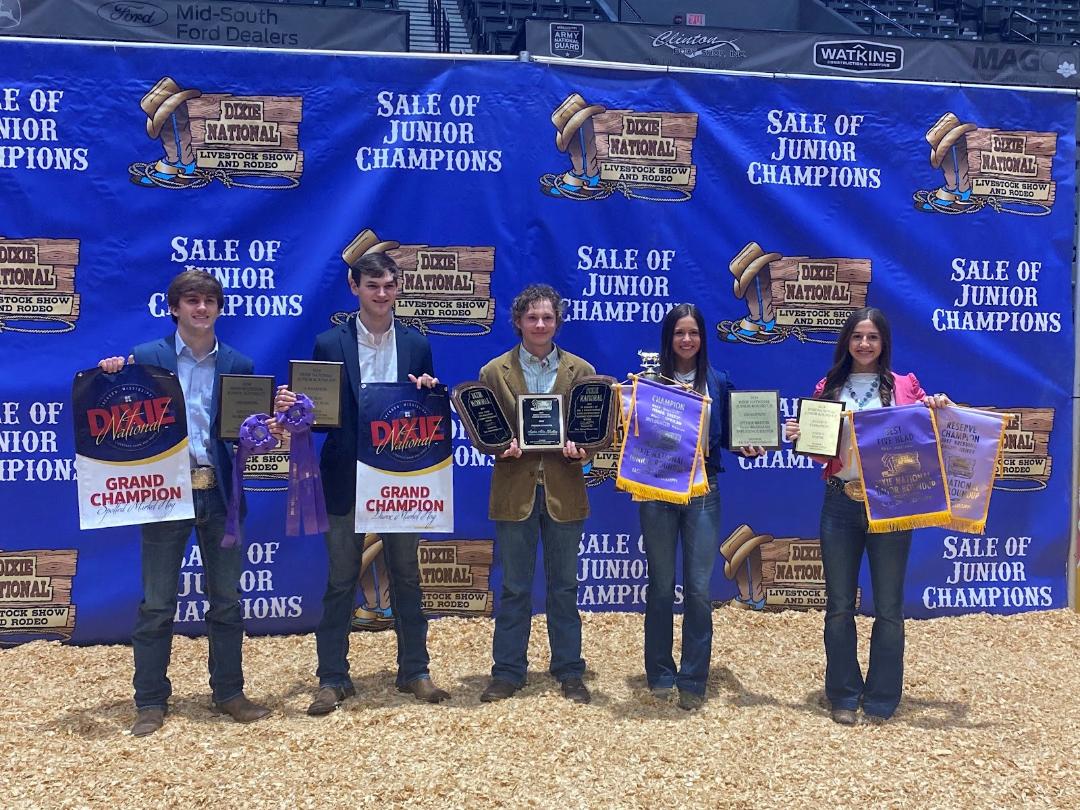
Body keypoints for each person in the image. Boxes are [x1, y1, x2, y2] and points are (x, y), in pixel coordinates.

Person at [274, 249, 450, 716]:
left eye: (389, 285)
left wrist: (431, 391)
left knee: (407, 575)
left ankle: (415, 670)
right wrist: (294, 408)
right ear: (354, 288)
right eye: (372, 285)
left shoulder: (416, 344)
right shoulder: (328, 344)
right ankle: (333, 677)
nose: (382, 294)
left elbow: (426, 406)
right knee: (340, 578)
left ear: (398, 289)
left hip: (402, 476)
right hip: (345, 475)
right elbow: (318, 415)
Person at [98, 270, 270, 737]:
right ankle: (150, 701)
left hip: (219, 491)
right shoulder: (146, 358)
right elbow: (117, 412)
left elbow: (247, 436)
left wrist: (271, 431)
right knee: (157, 603)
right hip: (163, 492)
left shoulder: (240, 364)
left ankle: (229, 692)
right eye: (191, 300)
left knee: (228, 600)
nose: (201, 308)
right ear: (173, 308)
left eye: (209, 301)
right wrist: (112, 376)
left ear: (218, 308)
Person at [784, 307, 950, 725]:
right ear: (846, 341)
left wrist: (939, 406)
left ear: (883, 343)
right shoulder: (828, 387)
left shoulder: (906, 387)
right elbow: (819, 449)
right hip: (840, 501)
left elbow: (931, 428)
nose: (864, 344)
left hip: (892, 505)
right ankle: (843, 692)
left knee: (890, 606)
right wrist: (798, 436)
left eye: (872, 337)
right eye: (857, 336)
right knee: (839, 604)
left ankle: (882, 695)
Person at [639, 304, 760, 711]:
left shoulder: (718, 382)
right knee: (659, 585)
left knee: (697, 587)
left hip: (703, 491)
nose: (686, 340)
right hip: (657, 491)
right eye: (679, 333)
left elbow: (731, 435)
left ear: (702, 338)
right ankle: (658, 671)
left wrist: (749, 443)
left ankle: (693, 678)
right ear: (668, 339)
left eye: (693, 333)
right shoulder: (648, 381)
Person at [478, 284, 594, 704]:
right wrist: (496, 445)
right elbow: (483, 429)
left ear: (557, 322)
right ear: (519, 323)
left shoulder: (582, 371)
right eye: (532, 318)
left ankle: (569, 670)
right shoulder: (495, 372)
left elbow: (595, 429)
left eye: (547, 317)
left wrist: (585, 448)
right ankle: (508, 671)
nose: (540, 324)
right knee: (514, 586)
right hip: (515, 490)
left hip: (565, 490)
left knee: (564, 586)